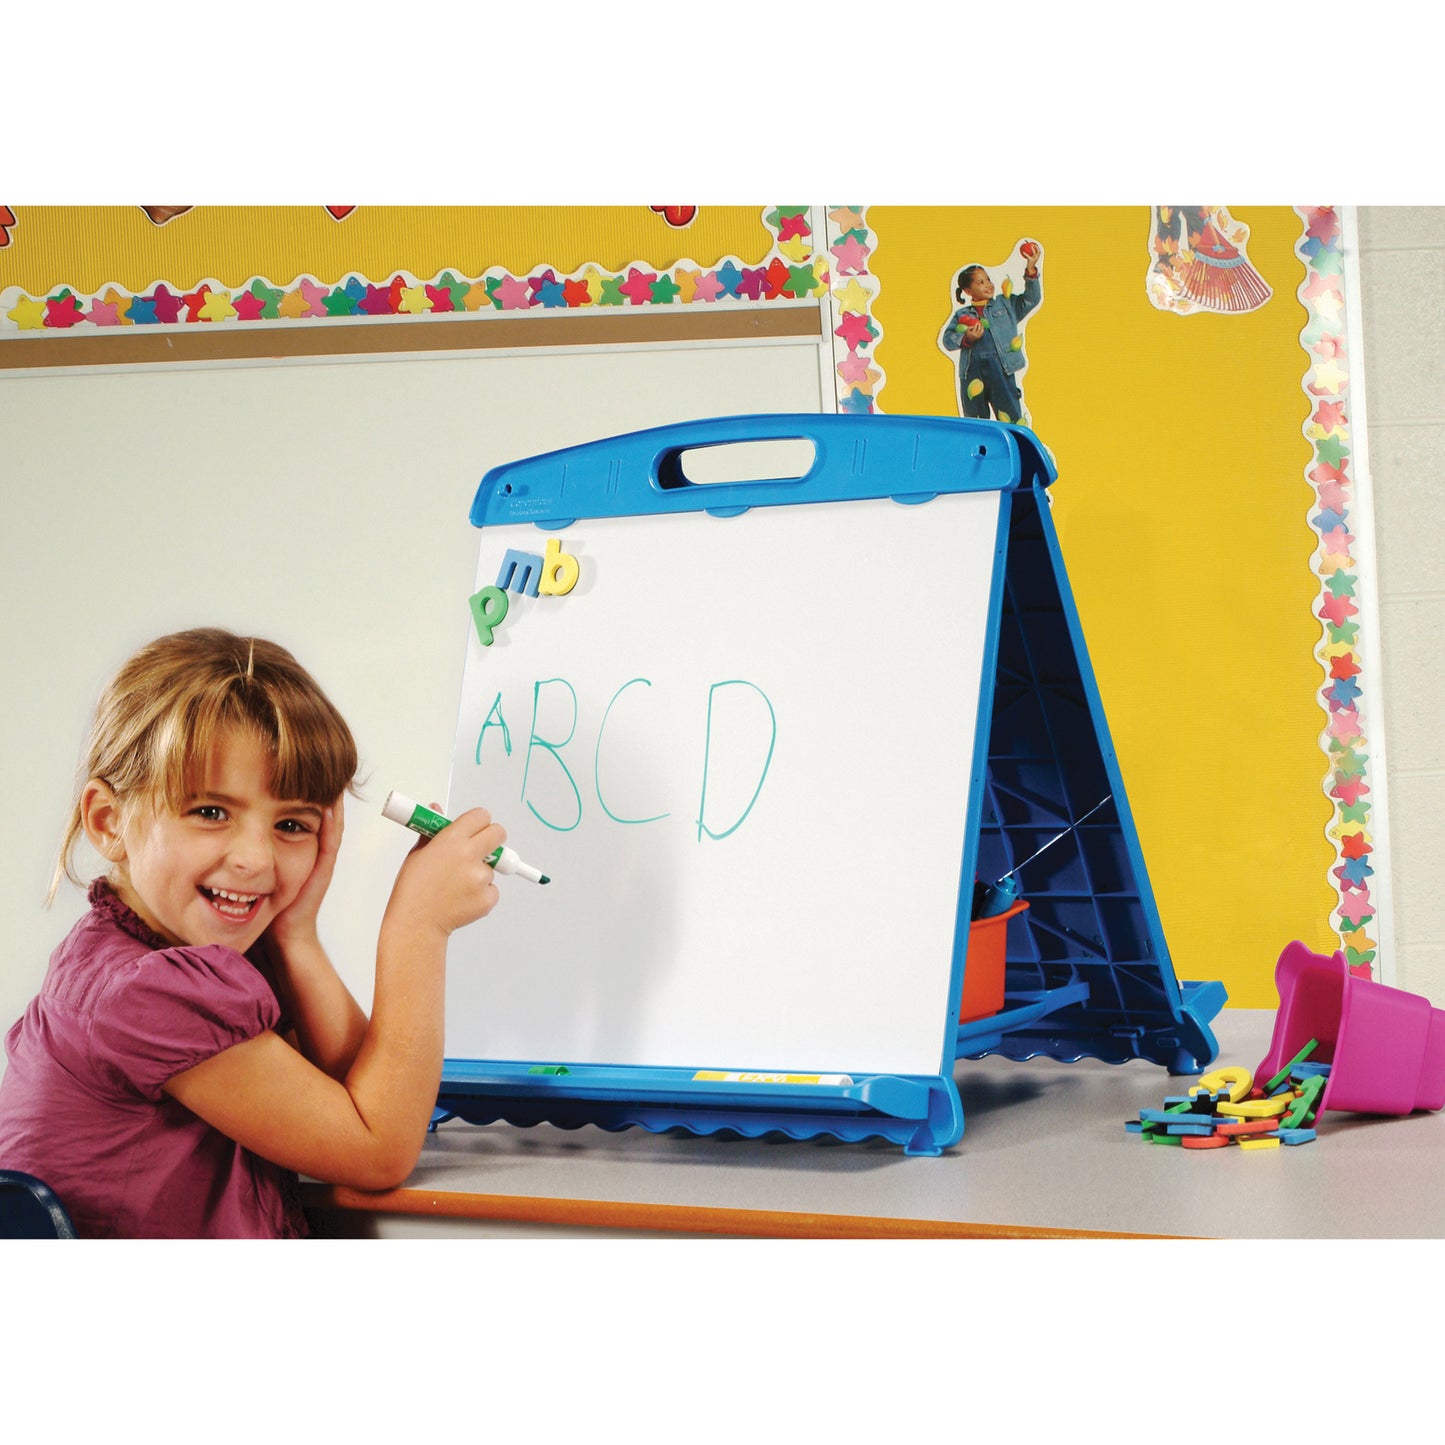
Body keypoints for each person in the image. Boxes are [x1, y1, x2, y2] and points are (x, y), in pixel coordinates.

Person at [0, 627, 507, 1238]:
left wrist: (296, 935)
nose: (255, 859)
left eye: (292, 823)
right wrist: (417, 928)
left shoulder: (133, 955)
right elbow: (378, 1147)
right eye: (211, 812)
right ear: (109, 823)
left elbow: (358, 1091)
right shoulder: (150, 992)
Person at [940, 244, 1042, 424]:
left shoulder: (1006, 304)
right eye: (980, 282)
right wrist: (966, 338)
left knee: (1011, 417)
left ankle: (1017, 448)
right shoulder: (962, 315)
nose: (988, 284)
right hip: (972, 373)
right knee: (975, 422)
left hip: (1002, 370)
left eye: (987, 279)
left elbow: (1031, 299)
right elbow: (947, 340)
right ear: (968, 292)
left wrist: (1031, 269)